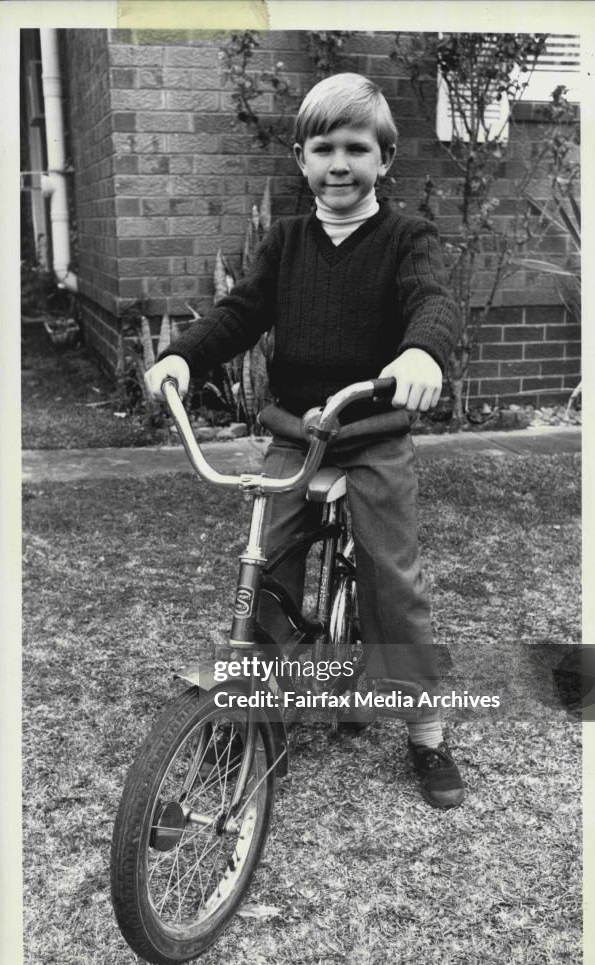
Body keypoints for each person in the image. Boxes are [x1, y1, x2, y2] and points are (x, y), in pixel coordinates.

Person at [145, 73, 465, 810]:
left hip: (373, 430)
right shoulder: (285, 242)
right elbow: (239, 312)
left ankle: (425, 727)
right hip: (299, 429)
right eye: (323, 148)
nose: (340, 163)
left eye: (357, 147)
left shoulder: (406, 238)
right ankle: (264, 704)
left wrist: (421, 352)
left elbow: (432, 302)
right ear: (300, 159)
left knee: (391, 577)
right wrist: (184, 356)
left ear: (384, 159)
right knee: (267, 562)